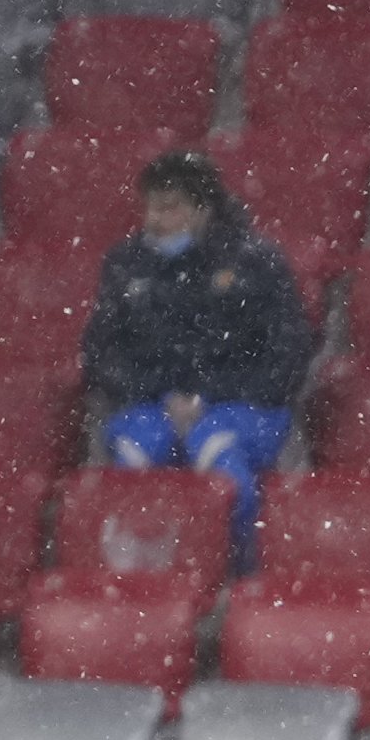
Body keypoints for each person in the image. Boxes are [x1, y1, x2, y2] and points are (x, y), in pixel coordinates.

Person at [81, 150, 313, 560]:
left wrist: (208, 397)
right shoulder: (126, 264)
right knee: (135, 457)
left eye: (169, 209)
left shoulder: (256, 263)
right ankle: (139, 586)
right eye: (149, 207)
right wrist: (161, 394)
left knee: (217, 458)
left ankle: (239, 577)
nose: (153, 220)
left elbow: (287, 356)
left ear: (203, 209)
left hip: (244, 407)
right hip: (153, 404)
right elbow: (101, 352)